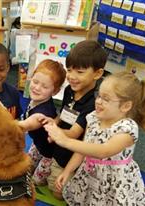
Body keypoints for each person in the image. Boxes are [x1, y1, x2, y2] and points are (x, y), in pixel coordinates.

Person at [44, 71, 145, 205]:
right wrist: (67, 171)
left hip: (114, 181)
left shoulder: (127, 129)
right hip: (91, 174)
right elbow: (85, 148)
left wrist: (65, 140)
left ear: (126, 106)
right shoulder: (94, 117)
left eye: (106, 99)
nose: (98, 101)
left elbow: (103, 151)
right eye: (98, 96)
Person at [41, 40, 107, 199]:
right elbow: (63, 114)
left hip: (73, 151)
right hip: (58, 142)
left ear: (97, 73)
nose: (71, 76)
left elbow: (73, 133)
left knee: (58, 193)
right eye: (69, 70)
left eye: (80, 72)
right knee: (36, 176)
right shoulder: (70, 90)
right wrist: (52, 122)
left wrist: (52, 130)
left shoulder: (93, 103)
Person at [18, 59, 66, 186]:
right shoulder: (35, 99)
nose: (37, 88)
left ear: (55, 91)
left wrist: (0, 122)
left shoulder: (44, 112)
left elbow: (25, 125)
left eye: (44, 86)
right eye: (35, 81)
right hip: (37, 144)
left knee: (36, 182)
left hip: (49, 153)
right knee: (25, 169)